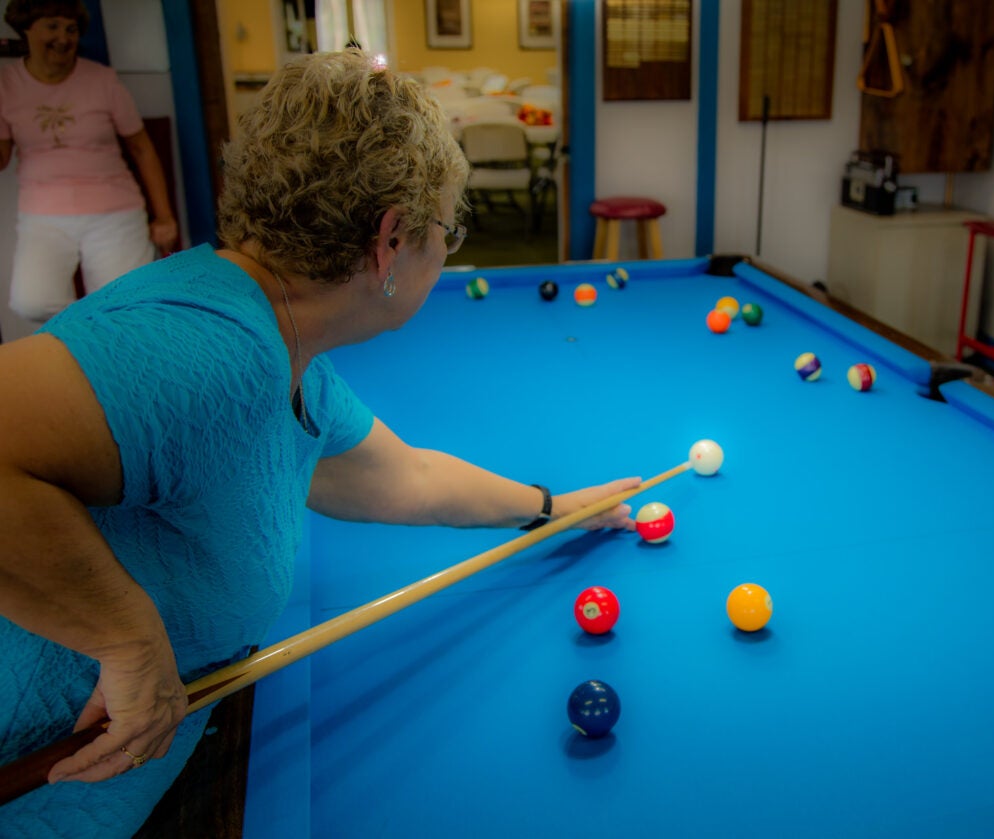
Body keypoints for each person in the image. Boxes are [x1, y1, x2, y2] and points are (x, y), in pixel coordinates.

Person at [0, 49, 639, 837]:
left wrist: (552, 508)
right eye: (450, 226)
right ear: (392, 240)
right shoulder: (217, 353)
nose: (450, 247)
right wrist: (126, 640)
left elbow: (404, 478)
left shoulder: (281, 344)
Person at [0, 0, 178, 324]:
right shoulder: (6, 86)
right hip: (42, 214)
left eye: (70, 29)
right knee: (32, 303)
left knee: (125, 305)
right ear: (25, 28)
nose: (64, 38)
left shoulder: (102, 80)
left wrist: (164, 217)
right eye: (52, 26)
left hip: (115, 210)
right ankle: (85, 343)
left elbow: (142, 149)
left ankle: (112, 357)